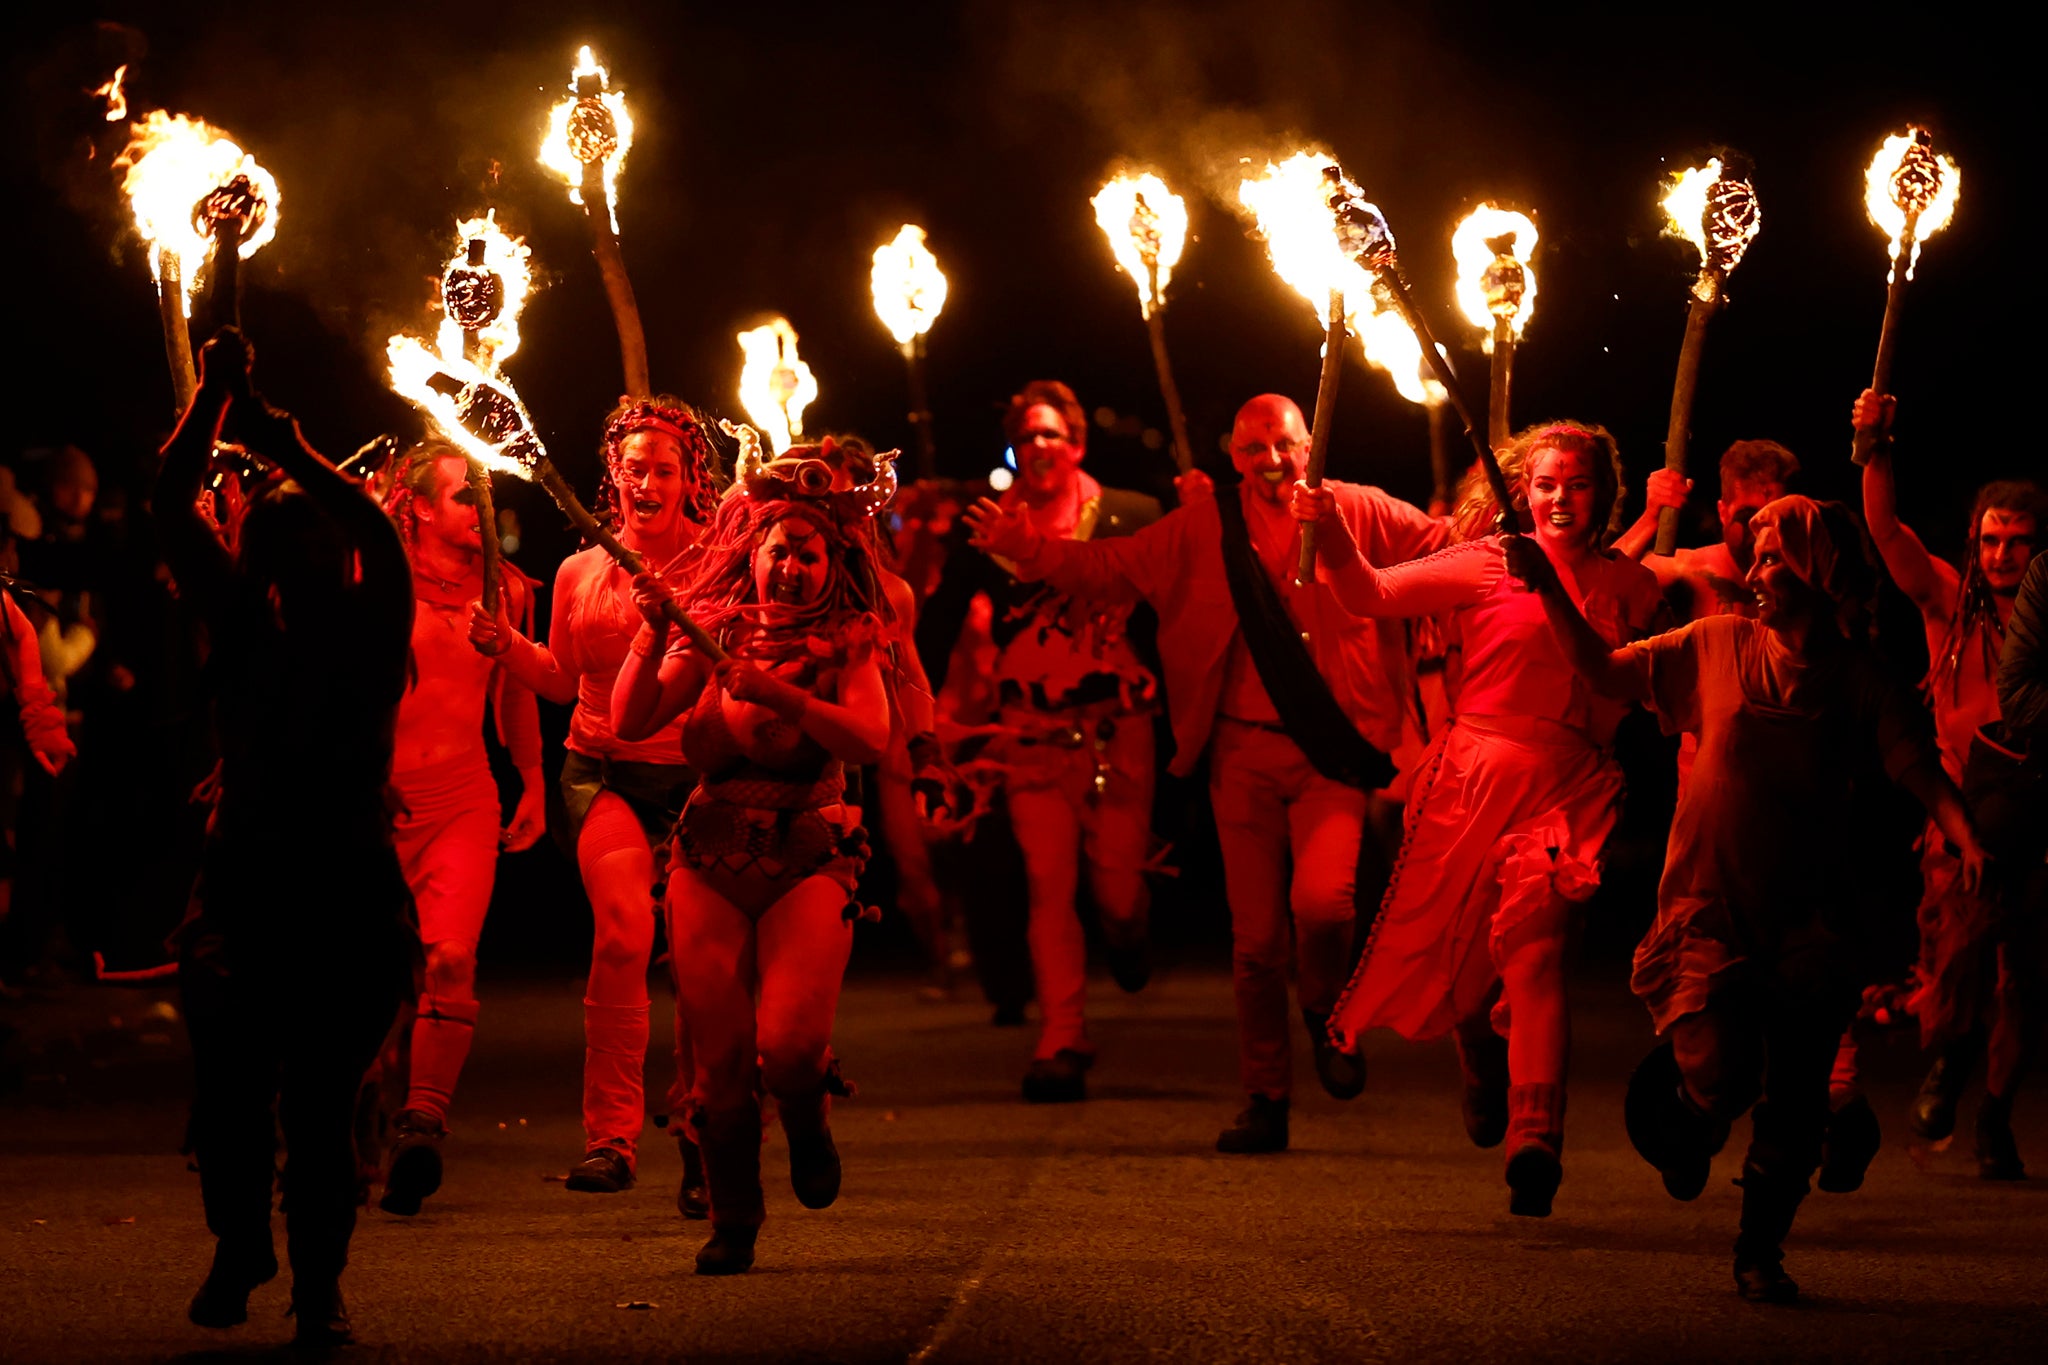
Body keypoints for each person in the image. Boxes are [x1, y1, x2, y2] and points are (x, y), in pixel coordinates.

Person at [1524, 493, 1986, 1301]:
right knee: (1722, 1072)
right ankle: (1689, 1111)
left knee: (1798, 1099)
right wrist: (1545, 588)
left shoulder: (1860, 681)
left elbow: (1917, 768)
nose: (1759, 574)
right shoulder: (1716, 643)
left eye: (1776, 560)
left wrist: (1966, 833)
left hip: (1808, 918)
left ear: (1822, 573)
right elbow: (1602, 668)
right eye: (1758, 557)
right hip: (1708, 903)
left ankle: (1759, 1250)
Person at [966, 393, 1447, 1151]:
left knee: (1324, 905)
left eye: (1285, 444)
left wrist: (1521, 517)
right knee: (1256, 942)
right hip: (1239, 754)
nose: (1273, 462)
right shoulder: (1202, 523)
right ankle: (1265, 1095)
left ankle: (1326, 1009)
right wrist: (1030, 548)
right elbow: (1111, 565)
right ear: (1234, 456)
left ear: (1309, 440)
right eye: (1255, 450)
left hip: (1332, 750)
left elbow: (1444, 543)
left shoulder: (1356, 507)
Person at [1302, 422, 1664, 1216]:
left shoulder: (1630, 586)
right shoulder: (1488, 562)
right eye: (1544, 483)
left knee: (1537, 958)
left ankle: (1536, 1139)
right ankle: (1479, 1063)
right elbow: (1368, 592)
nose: (1560, 496)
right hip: (1472, 776)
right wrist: (1325, 526)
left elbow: (1636, 680)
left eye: (1577, 483)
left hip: (1568, 788)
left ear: (1603, 494)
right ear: (1522, 492)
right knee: (1466, 971)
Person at [161, 331, 415, 1346]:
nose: (307, 559)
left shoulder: (369, 630)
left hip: (346, 894)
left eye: (317, 544)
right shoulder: (239, 628)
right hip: (247, 894)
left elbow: (377, 541)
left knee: (317, 1110)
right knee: (230, 1099)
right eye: (286, 543)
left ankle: (318, 1286)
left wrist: (264, 430)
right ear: (260, 562)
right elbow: (171, 503)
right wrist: (231, 407)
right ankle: (241, 1245)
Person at [613, 436, 894, 1275]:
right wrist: (649, 632)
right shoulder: (716, 628)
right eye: (780, 551)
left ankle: (807, 1120)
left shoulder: (850, 637)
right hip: (708, 856)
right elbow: (631, 723)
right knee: (724, 1063)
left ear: (832, 559)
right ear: (757, 552)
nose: (793, 568)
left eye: (809, 553)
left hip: (809, 856)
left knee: (791, 1047)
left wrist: (778, 692)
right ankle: (735, 1216)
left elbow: (873, 738)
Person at [468, 397, 723, 1204]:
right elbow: (563, 679)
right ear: (611, 475)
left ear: (690, 481)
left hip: (697, 779)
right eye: (632, 468)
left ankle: (703, 1131)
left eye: (663, 469)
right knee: (622, 931)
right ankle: (610, 1138)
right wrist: (509, 647)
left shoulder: (718, 562)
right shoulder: (582, 571)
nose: (646, 482)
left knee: (698, 959)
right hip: (603, 773)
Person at [921, 381, 1163, 1101]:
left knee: (1115, 885)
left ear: (1077, 443)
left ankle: (1126, 924)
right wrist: (916, 715)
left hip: (1119, 727)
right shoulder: (991, 529)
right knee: (1048, 885)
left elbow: (1177, 607)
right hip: (1030, 731)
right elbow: (938, 624)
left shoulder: (1130, 516)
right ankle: (1062, 1035)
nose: (1038, 448)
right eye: (1026, 437)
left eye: (1051, 435)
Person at [1856, 390, 2046, 1179]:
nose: (2000, 555)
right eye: (1990, 539)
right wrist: (1875, 446)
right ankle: (1947, 1063)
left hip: (2039, 815)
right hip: (1961, 813)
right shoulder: (1948, 602)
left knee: (2028, 985)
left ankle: (1995, 1114)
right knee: (1963, 951)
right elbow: (1886, 532)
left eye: (2018, 542)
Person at [372, 442, 545, 1215]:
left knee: (449, 957)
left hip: (463, 800)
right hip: (372, 805)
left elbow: (515, 693)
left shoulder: (504, 590)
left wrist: (533, 778)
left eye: (481, 494)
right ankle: (357, 1118)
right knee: (368, 983)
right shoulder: (372, 582)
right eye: (458, 497)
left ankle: (423, 1121)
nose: (478, 509)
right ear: (415, 508)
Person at [1615, 441, 1799, 623]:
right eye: (1749, 517)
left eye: (1778, 517)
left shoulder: (1809, 577)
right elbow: (1591, 591)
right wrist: (1650, 518)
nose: (1765, 533)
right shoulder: (1685, 572)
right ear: (1723, 513)